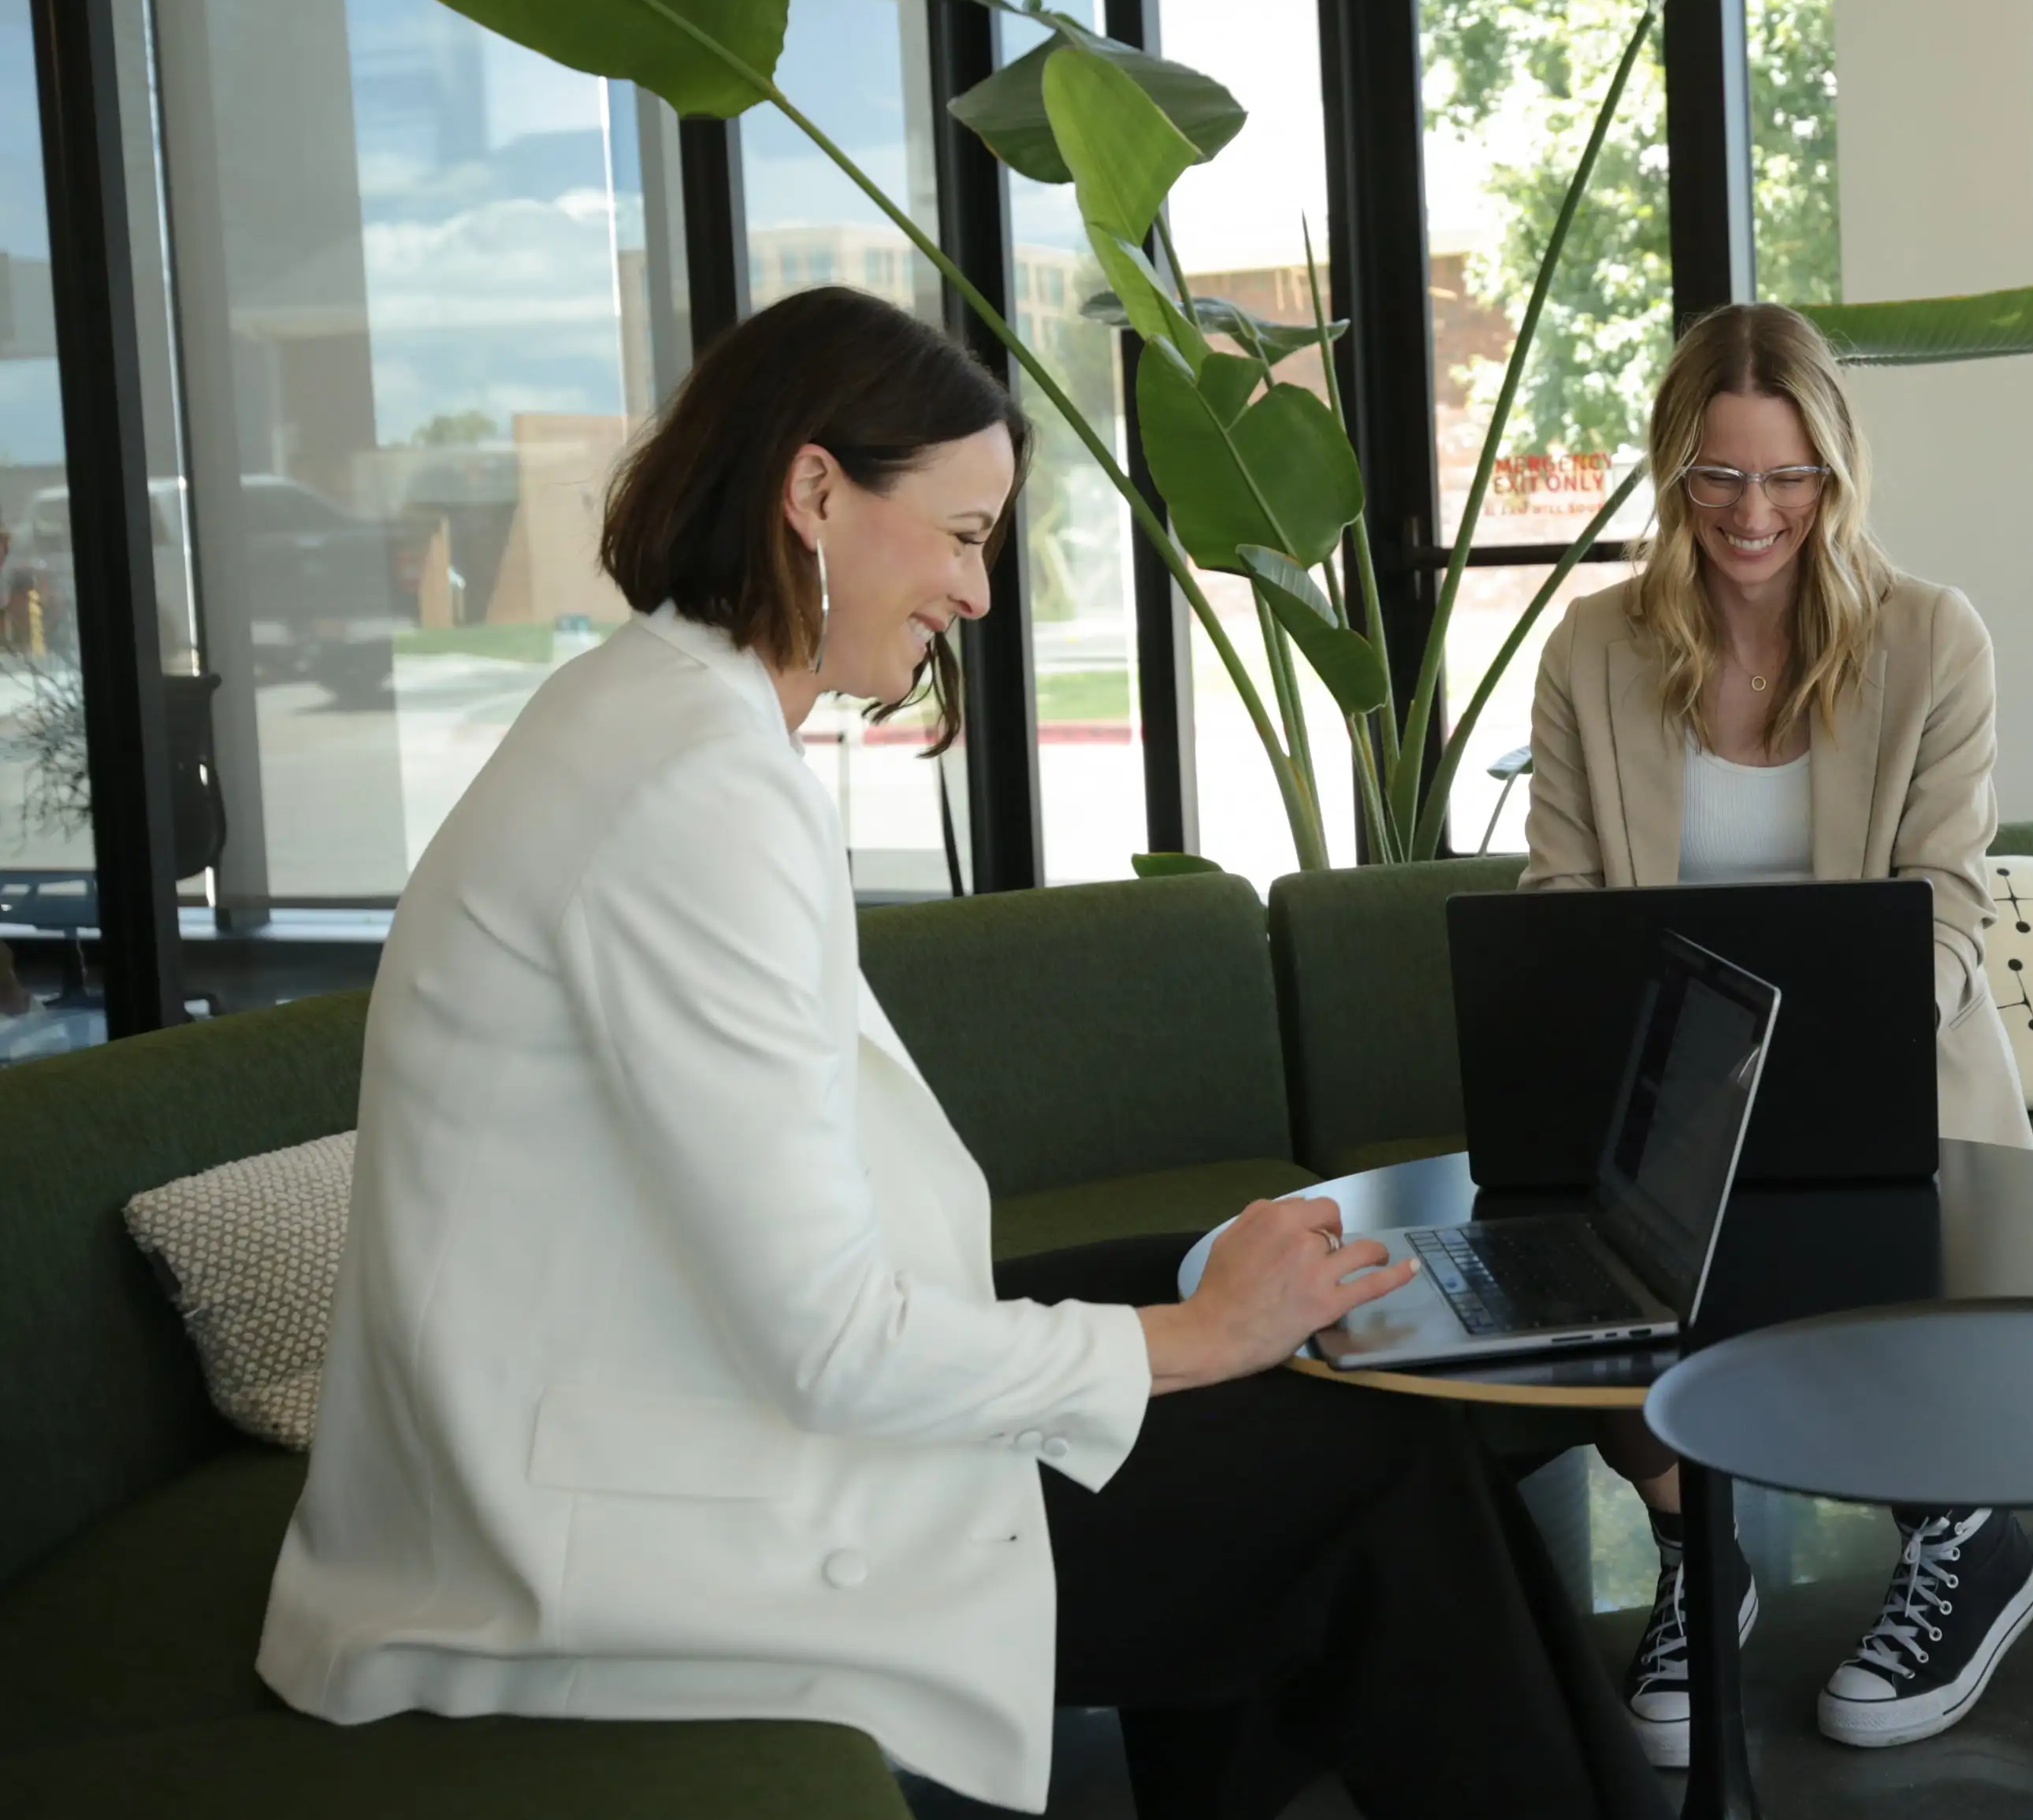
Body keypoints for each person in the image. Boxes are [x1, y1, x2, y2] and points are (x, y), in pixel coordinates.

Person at [258, 286, 1666, 1820]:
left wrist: (1206, 1313)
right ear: (812, 493)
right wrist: (1192, 1343)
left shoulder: (655, 719)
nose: (979, 594)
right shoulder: (690, 796)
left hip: (655, 1383)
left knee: (1269, 1315)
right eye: (961, 533)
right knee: (1361, 1460)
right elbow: (831, 1343)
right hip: (636, 1517)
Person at [1521, 301, 2033, 1765]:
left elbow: (1946, 898)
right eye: (1721, 476)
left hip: (1898, 1085)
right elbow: (1560, 906)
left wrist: (1842, 1070)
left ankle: (1964, 1537)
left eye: (1790, 476)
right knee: (1595, 1270)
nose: (1758, 514)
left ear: (1837, 474)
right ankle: (1701, 1546)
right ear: (1674, 474)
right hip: (1670, 1100)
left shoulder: (1931, 638)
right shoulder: (1592, 651)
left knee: (1852, 1240)